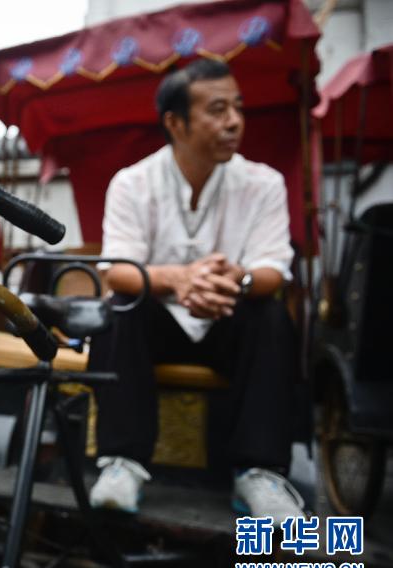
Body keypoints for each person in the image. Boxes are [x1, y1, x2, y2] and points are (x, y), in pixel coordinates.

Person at [88, 59, 303, 523]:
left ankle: (259, 473)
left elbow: (272, 269)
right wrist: (180, 279)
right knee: (121, 305)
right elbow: (117, 271)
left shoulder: (264, 183)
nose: (234, 122)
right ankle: (122, 463)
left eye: (238, 108)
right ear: (175, 122)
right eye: (218, 110)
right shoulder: (132, 183)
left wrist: (234, 281)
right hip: (158, 325)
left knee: (269, 313)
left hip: (230, 318)